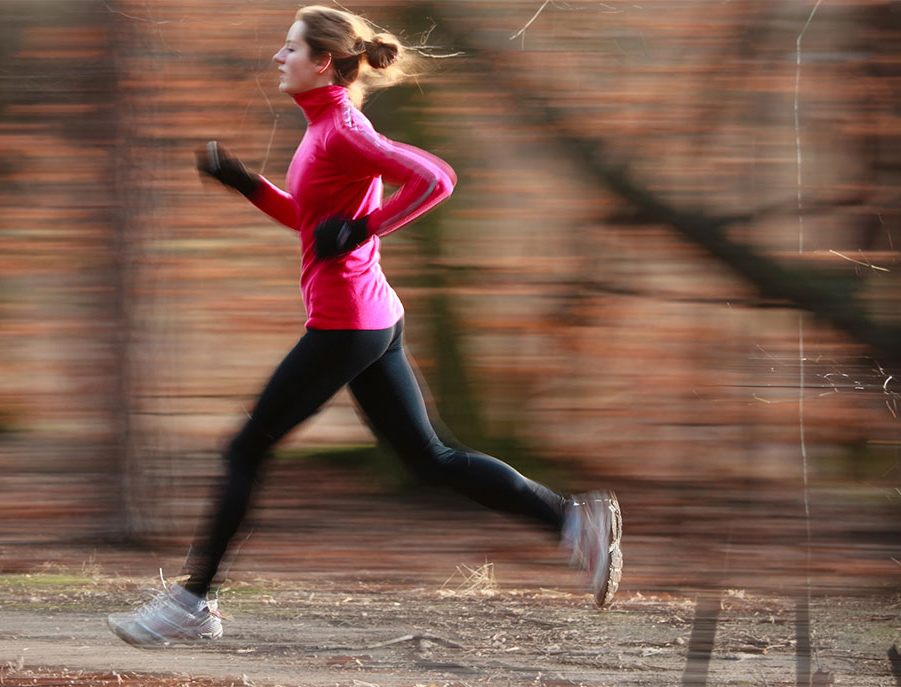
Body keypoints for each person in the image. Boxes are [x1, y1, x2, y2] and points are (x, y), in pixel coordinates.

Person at [107, 5, 621, 647]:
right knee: (429, 458)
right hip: (372, 315)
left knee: (244, 450)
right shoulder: (324, 128)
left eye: (289, 48)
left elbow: (437, 178)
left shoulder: (342, 129)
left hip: (347, 322)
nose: (278, 57)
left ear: (323, 61)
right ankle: (572, 522)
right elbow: (311, 220)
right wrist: (245, 183)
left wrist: (365, 228)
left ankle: (192, 601)